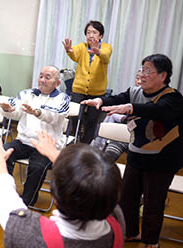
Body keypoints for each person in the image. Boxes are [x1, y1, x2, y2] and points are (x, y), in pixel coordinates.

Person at [82, 54, 183, 248]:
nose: (143, 75)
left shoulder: (173, 98)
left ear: (163, 76)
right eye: (141, 70)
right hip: (136, 155)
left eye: (148, 71)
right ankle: (131, 233)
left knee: (153, 203)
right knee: (127, 198)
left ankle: (151, 241)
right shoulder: (135, 91)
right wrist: (100, 101)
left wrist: (128, 108)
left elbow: (157, 111)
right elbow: (118, 97)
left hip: (163, 160)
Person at [0, 130, 125, 247]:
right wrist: (54, 154)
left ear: (55, 195)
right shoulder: (117, 220)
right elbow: (94, 185)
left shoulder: (32, 236)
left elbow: (5, 194)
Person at [0, 65, 70, 206]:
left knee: (36, 167)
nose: (42, 80)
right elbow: (16, 111)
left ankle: (25, 203)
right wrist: (8, 110)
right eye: (40, 76)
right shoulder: (27, 94)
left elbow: (55, 116)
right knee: (3, 153)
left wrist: (37, 112)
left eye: (47, 77)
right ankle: (6, 198)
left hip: (47, 146)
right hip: (24, 141)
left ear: (57, 83)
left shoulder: (63, 98)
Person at [62, 20, 112, 144]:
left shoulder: (106, 47)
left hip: (97, 92)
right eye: (88, 32)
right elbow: (74, 54)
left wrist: (98, 52)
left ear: (100, 36)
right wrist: (69, 50)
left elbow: (106, 57)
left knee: (92, 120)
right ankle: (75, 138)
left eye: (94, 32)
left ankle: (85, 145)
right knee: (74, 116)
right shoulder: (82, 46)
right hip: (79, 89)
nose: (91, 35)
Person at [92, 69, 143, 161]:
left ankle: (97, 148)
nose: (139, 82)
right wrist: (100, 100)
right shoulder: (132, 93)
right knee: (108, 158)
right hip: (123, 132)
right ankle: (97, 151)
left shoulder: (157, 99)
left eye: (142, 79)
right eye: (137, 78)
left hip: (141, 139)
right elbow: (117, 100)